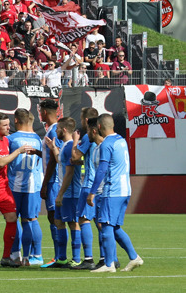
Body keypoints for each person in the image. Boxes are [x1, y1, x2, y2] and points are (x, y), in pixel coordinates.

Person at [0, 112, 36, 268]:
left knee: (12, 219)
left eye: (9, 124)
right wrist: (18, 151)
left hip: (3, 186)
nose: (9, 127)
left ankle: (6, 257)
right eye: (5, 125)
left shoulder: (5, 141)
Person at [88, 114, 143, 273]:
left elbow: (102, 170)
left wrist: (92, 192)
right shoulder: (121, 140)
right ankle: (134, 258)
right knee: (115, 227)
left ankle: (109, 264)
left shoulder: (107, 144)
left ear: (98, 127)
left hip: (113, 190)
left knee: (105, 225)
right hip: (125, 190)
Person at [6, 108, 44, 266]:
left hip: (14, 184)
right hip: (33, 185)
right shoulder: (38, 139)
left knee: (13, 220)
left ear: (15, 120)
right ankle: (35, 255)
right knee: (30, 220)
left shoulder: (11, 139)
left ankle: (16, 255)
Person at [49, 117, 82, 268]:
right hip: (64, 191)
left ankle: (76, 259)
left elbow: (69, 172)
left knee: (73, 223)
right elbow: (61, 162)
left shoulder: (70, 147)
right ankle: (62, 258)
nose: (55, 132)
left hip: (71, 193)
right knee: (59, 221)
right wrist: (54, 148)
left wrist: (60, 193)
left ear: (64, 130)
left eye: (57, 129)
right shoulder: (64, 146)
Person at [69, 107, 100, 269]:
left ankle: (88, 259)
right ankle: (108, 258)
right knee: (101, 223)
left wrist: (75, 141)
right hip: (102, 185)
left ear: (86, 121)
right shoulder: (103, 137)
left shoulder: (88, 137)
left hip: (89, 184)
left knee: (83, 219)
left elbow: (75, 157)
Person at [38, 98, 62, 264]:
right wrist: (37, 152)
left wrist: (45, 183)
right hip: (54, 179)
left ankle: (59, 256)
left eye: (40, 111)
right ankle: (59, 255)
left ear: (44, 112)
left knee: (54, 218)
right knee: (55, 219)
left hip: (53, 181)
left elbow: (55, 158)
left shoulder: (53, 131)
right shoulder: (52, 130)